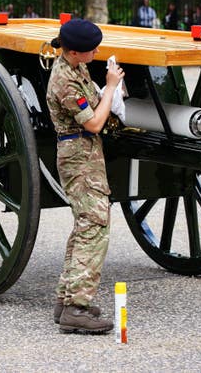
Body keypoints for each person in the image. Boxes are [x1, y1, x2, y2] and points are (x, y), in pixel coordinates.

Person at [46, 18, 124, 334]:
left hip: (84, 153)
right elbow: (93, 123)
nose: (96, 53)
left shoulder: (74, 67)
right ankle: (77, 308)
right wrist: (112, 87)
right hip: (79, 157)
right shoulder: (64, 81)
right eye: (92, 50)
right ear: (76, 52)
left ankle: (67, 301)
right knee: (95, 227)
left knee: (84, 226)